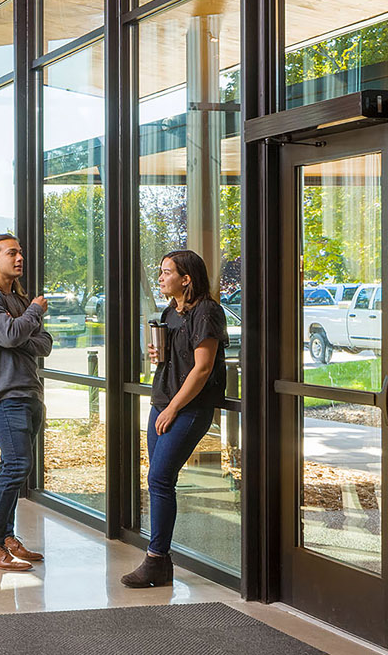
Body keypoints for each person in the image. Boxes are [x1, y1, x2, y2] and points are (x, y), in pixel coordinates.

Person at [121, 249, 229, 588]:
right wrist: (158, 355)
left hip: (187, 408)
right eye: (161, 272)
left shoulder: (207, 312)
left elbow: (203, 368)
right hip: (163, 402)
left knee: (160, 478)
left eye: (167, 272)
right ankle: (160, 562)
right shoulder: (171, 311)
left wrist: (172, 409)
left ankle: (156, 559)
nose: (161, 277)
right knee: (158, 480)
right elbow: (176, 360)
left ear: (186, 279)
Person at [0, 233, 53, 571]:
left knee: (14, 470)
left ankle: (6, 537)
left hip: (30, 394)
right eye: (12, 253)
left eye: (21, 252)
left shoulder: (15, 300)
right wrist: (32, 313)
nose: (19, 258)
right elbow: (10, 335)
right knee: (16, 466)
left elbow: (43, 343)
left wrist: (21, 326)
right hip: (5, 396)